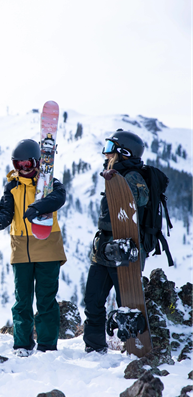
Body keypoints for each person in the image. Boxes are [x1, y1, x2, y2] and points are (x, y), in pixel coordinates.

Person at [0, 139, 67, 357]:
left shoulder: (50, 184)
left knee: (46, 299)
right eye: (18, 165)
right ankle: (22, 344)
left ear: (37, 163)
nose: (23, 169)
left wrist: (36, 208)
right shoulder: (12, 186)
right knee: (22, 299)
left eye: (27, 165)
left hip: (47, 246)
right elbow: (7, 213)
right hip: (21, 248)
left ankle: (47, 345)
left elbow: (59, 198)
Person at [83, 129, 149, 354]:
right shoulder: (112, 175)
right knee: (93, 300)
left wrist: (121, 180)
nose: (106, 154)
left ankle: (135, 346)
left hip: (123, 252)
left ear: (124, 153)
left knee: (128, 304)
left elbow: (142, 197)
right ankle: (94, 347)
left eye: (111, 149)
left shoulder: (133, 176)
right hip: (103, 249)